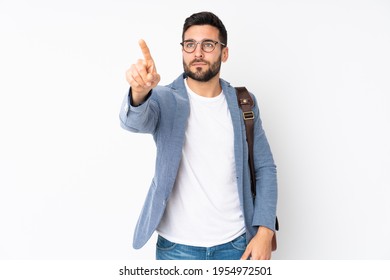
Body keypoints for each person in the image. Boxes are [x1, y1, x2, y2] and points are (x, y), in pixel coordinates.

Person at [119, 11, 277, 260]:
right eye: (190, 45)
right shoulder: (162, 98)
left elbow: (265, 167)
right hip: (176, 249)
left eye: (208, 44)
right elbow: (133, 122)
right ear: (183, 50)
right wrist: (139, 92)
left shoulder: (243, 103)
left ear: (224, 52)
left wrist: (265, 232)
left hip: (237, 245)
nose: (198, 53)